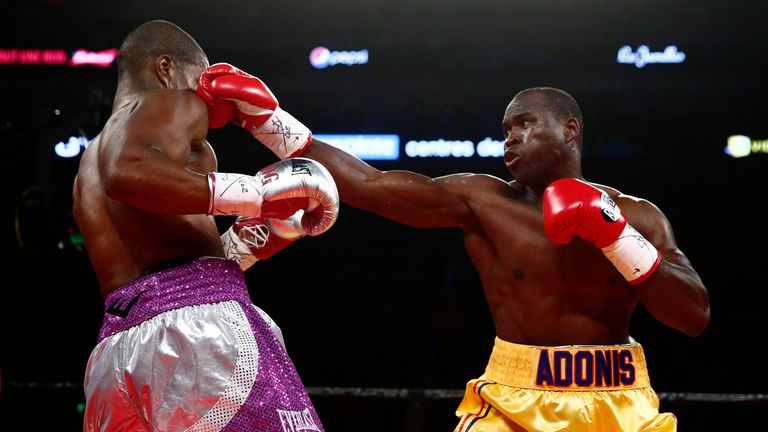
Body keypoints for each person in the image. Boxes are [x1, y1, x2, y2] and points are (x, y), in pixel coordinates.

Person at [198, 66, 710, 432]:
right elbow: (371, 186)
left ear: (569, 130)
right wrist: (266, 120)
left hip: (618, 402)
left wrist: (615, 235)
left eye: (525, 124)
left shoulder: (637, 215)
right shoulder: (482, 200)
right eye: (506, 130)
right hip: (513, 401)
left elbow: (693, 315)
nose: (510, 139)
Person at [72, 21, 338, 432]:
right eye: (200, 81)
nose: (206, 98)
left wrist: (265, 234)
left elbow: (161, 276)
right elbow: (129, 175)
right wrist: (259, 192)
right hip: (196, 340)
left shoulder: (87, 164)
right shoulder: (170, 101)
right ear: (166, 68)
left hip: (116, 353)